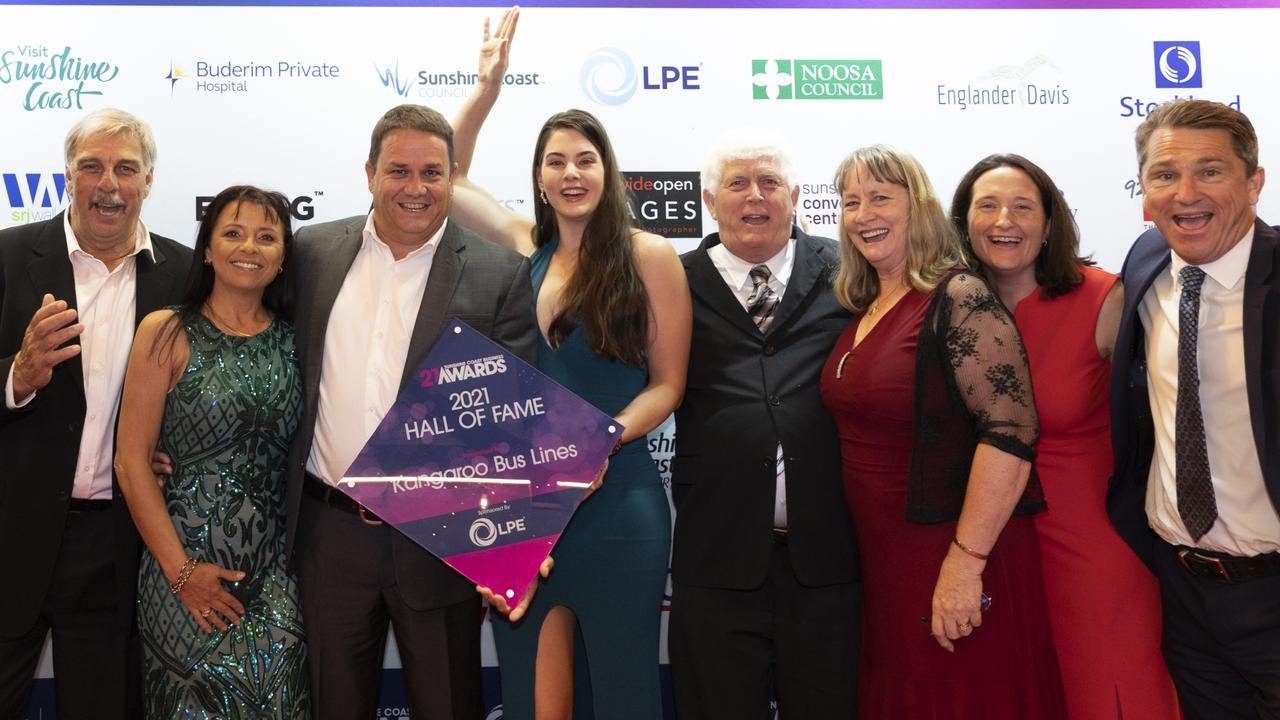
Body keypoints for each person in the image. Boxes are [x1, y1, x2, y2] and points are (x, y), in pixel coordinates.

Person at [449, 9, 691, 717]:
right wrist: (486, 89)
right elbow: (452, 174)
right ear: (541, 177)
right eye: (556, 160)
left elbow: (669, 384)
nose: (571, 171)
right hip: (527, 506)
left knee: (622, 692)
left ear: (607, 169)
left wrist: (599, 444)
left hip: (619, 502)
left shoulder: (649, 255)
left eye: (585, 157)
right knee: (532, 698)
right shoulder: (526, 245)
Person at [280, 103, 537, 719]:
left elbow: (509, 425)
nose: (415, 188)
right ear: (369, 173)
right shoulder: (310, 252)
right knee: (333, 704)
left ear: (453, 177)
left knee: (448, 702)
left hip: (440, 536)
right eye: (399, 170)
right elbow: (260, 356)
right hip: (328, 534)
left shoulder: (500, 273)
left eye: (432, 172)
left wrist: (513, 539)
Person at [819, 144, 1065, 718]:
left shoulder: (958, 295)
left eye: (881, 197)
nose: (863, 214)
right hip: (885, 563)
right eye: (851, 201)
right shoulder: (867, 305)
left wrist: (964, 562)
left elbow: (1010, 430)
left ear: (919, 208)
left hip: (953, 552)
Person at [951, 154, 1178, 719]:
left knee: (1108, 690)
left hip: (1091, 548)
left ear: (1050, 223)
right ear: (964, 222)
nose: (1005, 220)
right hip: (988, 541)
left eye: (1023, 206)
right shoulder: (947, 309)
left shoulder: (1105, 299)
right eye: (988, 205)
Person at [0, 108, 191, 718]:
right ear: (67, 177)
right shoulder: (7, 257)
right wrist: (16, 376)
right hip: (11, 532)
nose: (109, 183)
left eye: (126, 168)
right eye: (92, 167)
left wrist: (176, 446)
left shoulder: (187, 275)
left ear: (149, 182)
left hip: (118, 546)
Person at [668, 131, 860, 719]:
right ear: (708, 199)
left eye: (770, 182)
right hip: (716, 555)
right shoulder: (672, 280)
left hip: (829, 558)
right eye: (738, 182)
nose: (756, 195)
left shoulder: (851, 271)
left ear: (796, 195)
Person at [1109, 98, 1280, 719]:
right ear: (1144, 191)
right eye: (1164, 175)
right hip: (1181, 592)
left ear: (1254, 182)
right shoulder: (1145, 263)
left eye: (1210, 171)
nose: (1185, 193)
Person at [115, 186, 307, 718]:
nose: (250, 246)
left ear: (283, 256)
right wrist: (182, 573)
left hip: (275, 580)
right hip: (180, 578)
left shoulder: (297, 341)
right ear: (207, 248)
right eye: (233, 232)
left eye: (267, 236)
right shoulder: (166, 331)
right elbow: (132, 464)